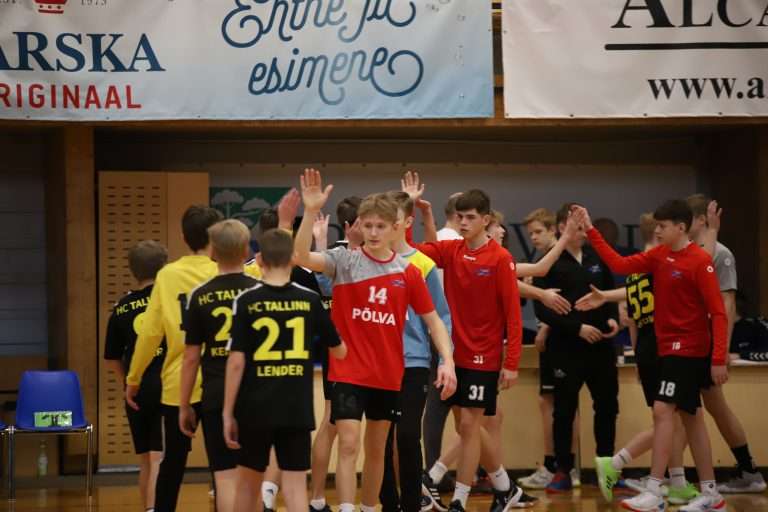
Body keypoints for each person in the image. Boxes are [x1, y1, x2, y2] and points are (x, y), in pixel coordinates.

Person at [292, 169, 457, 512]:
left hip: (388, 374)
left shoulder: (408, 272)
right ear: (357, 227)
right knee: (348, 443)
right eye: (367, 225)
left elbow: (434, 321)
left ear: (395, 227)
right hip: (348, 371)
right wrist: (309, 212)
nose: (373, 232)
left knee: (377, 448)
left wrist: (448, 361)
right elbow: (301, 257)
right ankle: (347, 508)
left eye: (380, 226)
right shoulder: (344, 261)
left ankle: (370, 507)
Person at [573, 200, 728, 512]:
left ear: (680, 228)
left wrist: (718, 359)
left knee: (662, 410)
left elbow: (719, 313)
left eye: (662, 226)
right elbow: (618, 264)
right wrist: (590, 229)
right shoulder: (658, 256)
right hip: (665, 348)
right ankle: (711, 493)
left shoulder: (700, 261)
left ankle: (655, 490)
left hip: (689, 349)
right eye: (656, 225)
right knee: (692, 418)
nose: (657, 231)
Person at [403, 180, 537, 511]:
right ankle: (504, 487)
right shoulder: (452, 250)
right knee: (467, 427)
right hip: (452, 356)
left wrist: (511, 363)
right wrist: (411, 208)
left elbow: (513, 316)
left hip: (483, 357)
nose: (463, 223)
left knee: (468, 425)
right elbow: (409, 252)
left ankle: (460, 499)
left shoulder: (501, 258)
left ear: (486, 220)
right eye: (460, 217)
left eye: (471, 217)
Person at [125, 204, 265, 512]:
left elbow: (150, 333)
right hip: (225, 383)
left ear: (183, 236)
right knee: (226, 469)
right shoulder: (234, 271)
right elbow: (270, 266)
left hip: (179, 384)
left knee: (171, 463)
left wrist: (133, 378)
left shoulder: (167, 275)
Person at [222, 228, 348, 512]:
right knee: (294, 487)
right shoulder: (310, 300)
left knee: (248, 485)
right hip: (296, 408)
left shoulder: (246, 300)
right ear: (293, 259)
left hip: (254, 407)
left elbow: (236, 362)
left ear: (259, 260)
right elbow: (339, 350)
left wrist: (227, 412)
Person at [532, 203, 620, 494]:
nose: (584, 233)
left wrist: (612, 319)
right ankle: (562, 470)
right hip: (566, 346)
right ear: (562, 228)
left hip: (600, 347)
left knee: (607, 406)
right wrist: (577, 328)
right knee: (564, 410)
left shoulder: (597, 257)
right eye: (578, 227)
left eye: (585, 227)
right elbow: (542, 310)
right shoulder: (549, 262)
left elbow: (608, 295)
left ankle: (607, 468)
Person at [686, 194, 766, 494]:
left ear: (700, 220)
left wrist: (722, 351)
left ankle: (669, 476)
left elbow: (727, 303)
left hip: (707, 343)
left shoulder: (721, 254)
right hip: (692, 342)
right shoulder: (688, 252)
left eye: (686, 218)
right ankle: (748, 471)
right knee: (704, 408)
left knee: (688, 409)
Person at [378, 191, 453, 512]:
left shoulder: (422, 265)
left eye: (391, 220)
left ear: (406, 223)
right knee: (380, 439)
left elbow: (441, 318)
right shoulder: (367, 261)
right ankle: (387, 503)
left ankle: (412, 503)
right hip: (377, 364)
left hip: (414, 362)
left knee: (408, 435)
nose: (384, 227)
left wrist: (446, 360)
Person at [179, 219, 260, 512]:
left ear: (212, 251)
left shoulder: (199, 295)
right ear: (245, 250)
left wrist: (184, 405)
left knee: (224, 477)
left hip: (215, 393)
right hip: (256, 394)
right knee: (253, 478)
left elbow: (191, 358)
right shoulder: (260, 291)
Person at [515, 208, 581, 490]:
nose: (533, 238)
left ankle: (565, 467)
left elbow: (567, 305)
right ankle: (554, 464)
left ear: (554, 230)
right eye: (530, 233)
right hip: (553, 341)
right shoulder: (540, 262)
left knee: (564, 405)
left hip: (565, 342)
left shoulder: (562, 262)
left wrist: (547, 327)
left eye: (538, 232)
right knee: (548, 403)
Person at [103, 240, 168, 511]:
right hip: (165, 387)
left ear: (132, 270)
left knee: (146, 460)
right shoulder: (168, 300)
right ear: (163, 267)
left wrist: (128, 382)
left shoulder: (121, 307)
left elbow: (111, 357)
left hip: (136, 390)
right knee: (159, 458)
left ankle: (148, 508)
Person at [309, 195, 362, 512]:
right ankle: (317, 498)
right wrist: (318, 244)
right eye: (366, 222)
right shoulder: (336, 257)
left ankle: (325, 499)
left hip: (363, 351)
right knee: (332, 424)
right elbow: (330, 289)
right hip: (342, 351)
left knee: (347, 431)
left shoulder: (336, 254)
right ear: (349, 225)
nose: (372, 229)